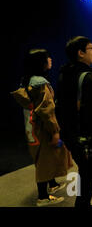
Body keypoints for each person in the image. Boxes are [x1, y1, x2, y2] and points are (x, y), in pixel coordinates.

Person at [11, 49, 72, 207]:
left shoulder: (29, 81)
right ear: (41, 63)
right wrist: (55, 131)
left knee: (45, 157)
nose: (51, 60)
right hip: (43, 128)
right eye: (47, 58)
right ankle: (43, 197)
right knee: (45, 160)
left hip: (32, 127)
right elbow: (47, 111)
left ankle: (51, 185)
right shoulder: (41, 84)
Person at [55, 36, 92, 208]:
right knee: (91, 174)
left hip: (71, 136)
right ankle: (82, 204)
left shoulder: (64, 75)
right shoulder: (87, 78)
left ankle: (82, 203)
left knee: (84, 171)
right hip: (87, 138)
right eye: (91, 48)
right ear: (81, 53)